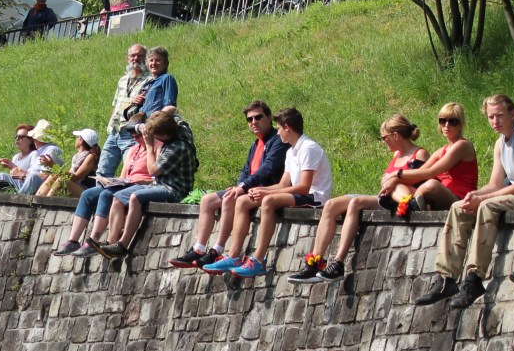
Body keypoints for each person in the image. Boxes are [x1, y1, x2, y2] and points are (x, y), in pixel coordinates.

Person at [291, 108, 474, 283]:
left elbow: (426, 176)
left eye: (452, 121)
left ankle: (338, 261)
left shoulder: (432, 151)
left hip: (427, 196)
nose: (446, 125)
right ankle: (315, 262)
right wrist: (392, 179)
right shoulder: (425, 152)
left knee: (361, 200)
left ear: (395, 135)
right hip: (391, 196)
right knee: (332, 204)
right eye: (442, 121)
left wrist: (395, 176)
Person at [415, 94, 514, 309]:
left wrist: (483, 199)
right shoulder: (500, 143)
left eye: (499, 115)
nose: (495, 121)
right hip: (511, 193)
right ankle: (446, 278)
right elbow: (495, 184)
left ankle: (474, 278)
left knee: (487, 205)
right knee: (458, 206)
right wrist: (474, 195)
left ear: (512, 114)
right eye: (490, 117)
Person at [204, 107, 333, 278]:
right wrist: (261, 189)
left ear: (287, 127)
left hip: (315, 197)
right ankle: (234, 256)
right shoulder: (291, 151)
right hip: (302, 194)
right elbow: (282, 184)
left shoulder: (308, 148)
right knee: (243, 200)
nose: (277, 133)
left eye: (278, 128)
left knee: (268, 201)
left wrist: (267, 195)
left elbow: (304, 187)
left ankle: (258, 260)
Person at [168, 101, 287, 269]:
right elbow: (246, 169)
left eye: (258, 117)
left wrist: (242, 187)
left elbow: (268, 168)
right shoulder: (256, 144)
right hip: (248, 187)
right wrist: (240, 185)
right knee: (207, 200)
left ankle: (217, 250)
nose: (254, 122)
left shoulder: (277, 140)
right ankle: (199, 249)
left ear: (268, 118)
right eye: (250, 119)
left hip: (266, 189)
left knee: (229, 199)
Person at [87, 111, 199, 262]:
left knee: (135, 197)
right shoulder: (181, 126)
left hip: (174, 189)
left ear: (164, 136)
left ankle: (122, 246)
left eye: (155, 136)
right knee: (117, 197)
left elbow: (152, 171)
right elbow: (173, 112)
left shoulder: (177, 147)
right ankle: (110, 243)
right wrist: (154, 118)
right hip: (158, 184)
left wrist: (150, 145)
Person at [97, 44, 150, 177]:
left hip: (131, 132)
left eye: (140, 55)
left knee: (131, 172)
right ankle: (100, 191)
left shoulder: (150, 80)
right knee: (102, 171)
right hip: (115, 131)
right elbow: (115, 105)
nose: (135, 58)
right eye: (133, 55)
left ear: (146, 58)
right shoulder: (123, 80)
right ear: (128, 58)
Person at [34, 128, 100, 197]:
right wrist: (54, 169)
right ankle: (38, 198)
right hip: (78, 187)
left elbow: (75, 177)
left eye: (77, 137)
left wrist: (53, 166)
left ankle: (46, 201)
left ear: (81, 141)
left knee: (62, 180)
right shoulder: (78, 156)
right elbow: (70, 175)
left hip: (87, 192)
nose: (76, 139)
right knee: (54, 175)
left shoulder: (91, 156)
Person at [0, 124, 38, 192]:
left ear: (31, 140)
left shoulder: (34, 154)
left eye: (21, 137)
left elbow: (32, 177)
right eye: (16, 136)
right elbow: (12, 176)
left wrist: (12, 165)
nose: (17, 139)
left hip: (25, 186)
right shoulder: (16, 157)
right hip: (15, 186)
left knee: (2, 176)